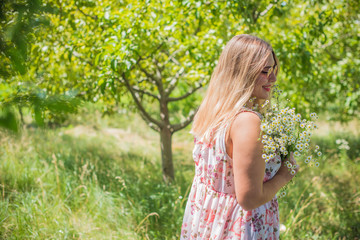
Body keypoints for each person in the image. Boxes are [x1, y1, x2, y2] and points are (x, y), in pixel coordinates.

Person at [180, 34, 298, 239]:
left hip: (208, 222)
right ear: (242, 73)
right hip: (236, 227)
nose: (273, 78)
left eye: (273, 70)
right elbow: (249, 199)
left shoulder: (212, 110)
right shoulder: (247, 122)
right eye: (264, 71)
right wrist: (284, 175)